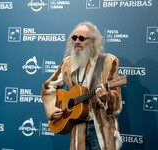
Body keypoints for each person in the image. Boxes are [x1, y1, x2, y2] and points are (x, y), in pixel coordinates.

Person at [41, 21, 122, 150]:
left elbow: (116, 100)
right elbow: (48, 88)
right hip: (77, 128)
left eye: (81, 38)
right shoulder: (67, 63)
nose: (77, 41)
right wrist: (52, 109)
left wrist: (106, 97)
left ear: (93, 42)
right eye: (74, 38)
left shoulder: (108, 61)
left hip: (102, 130)